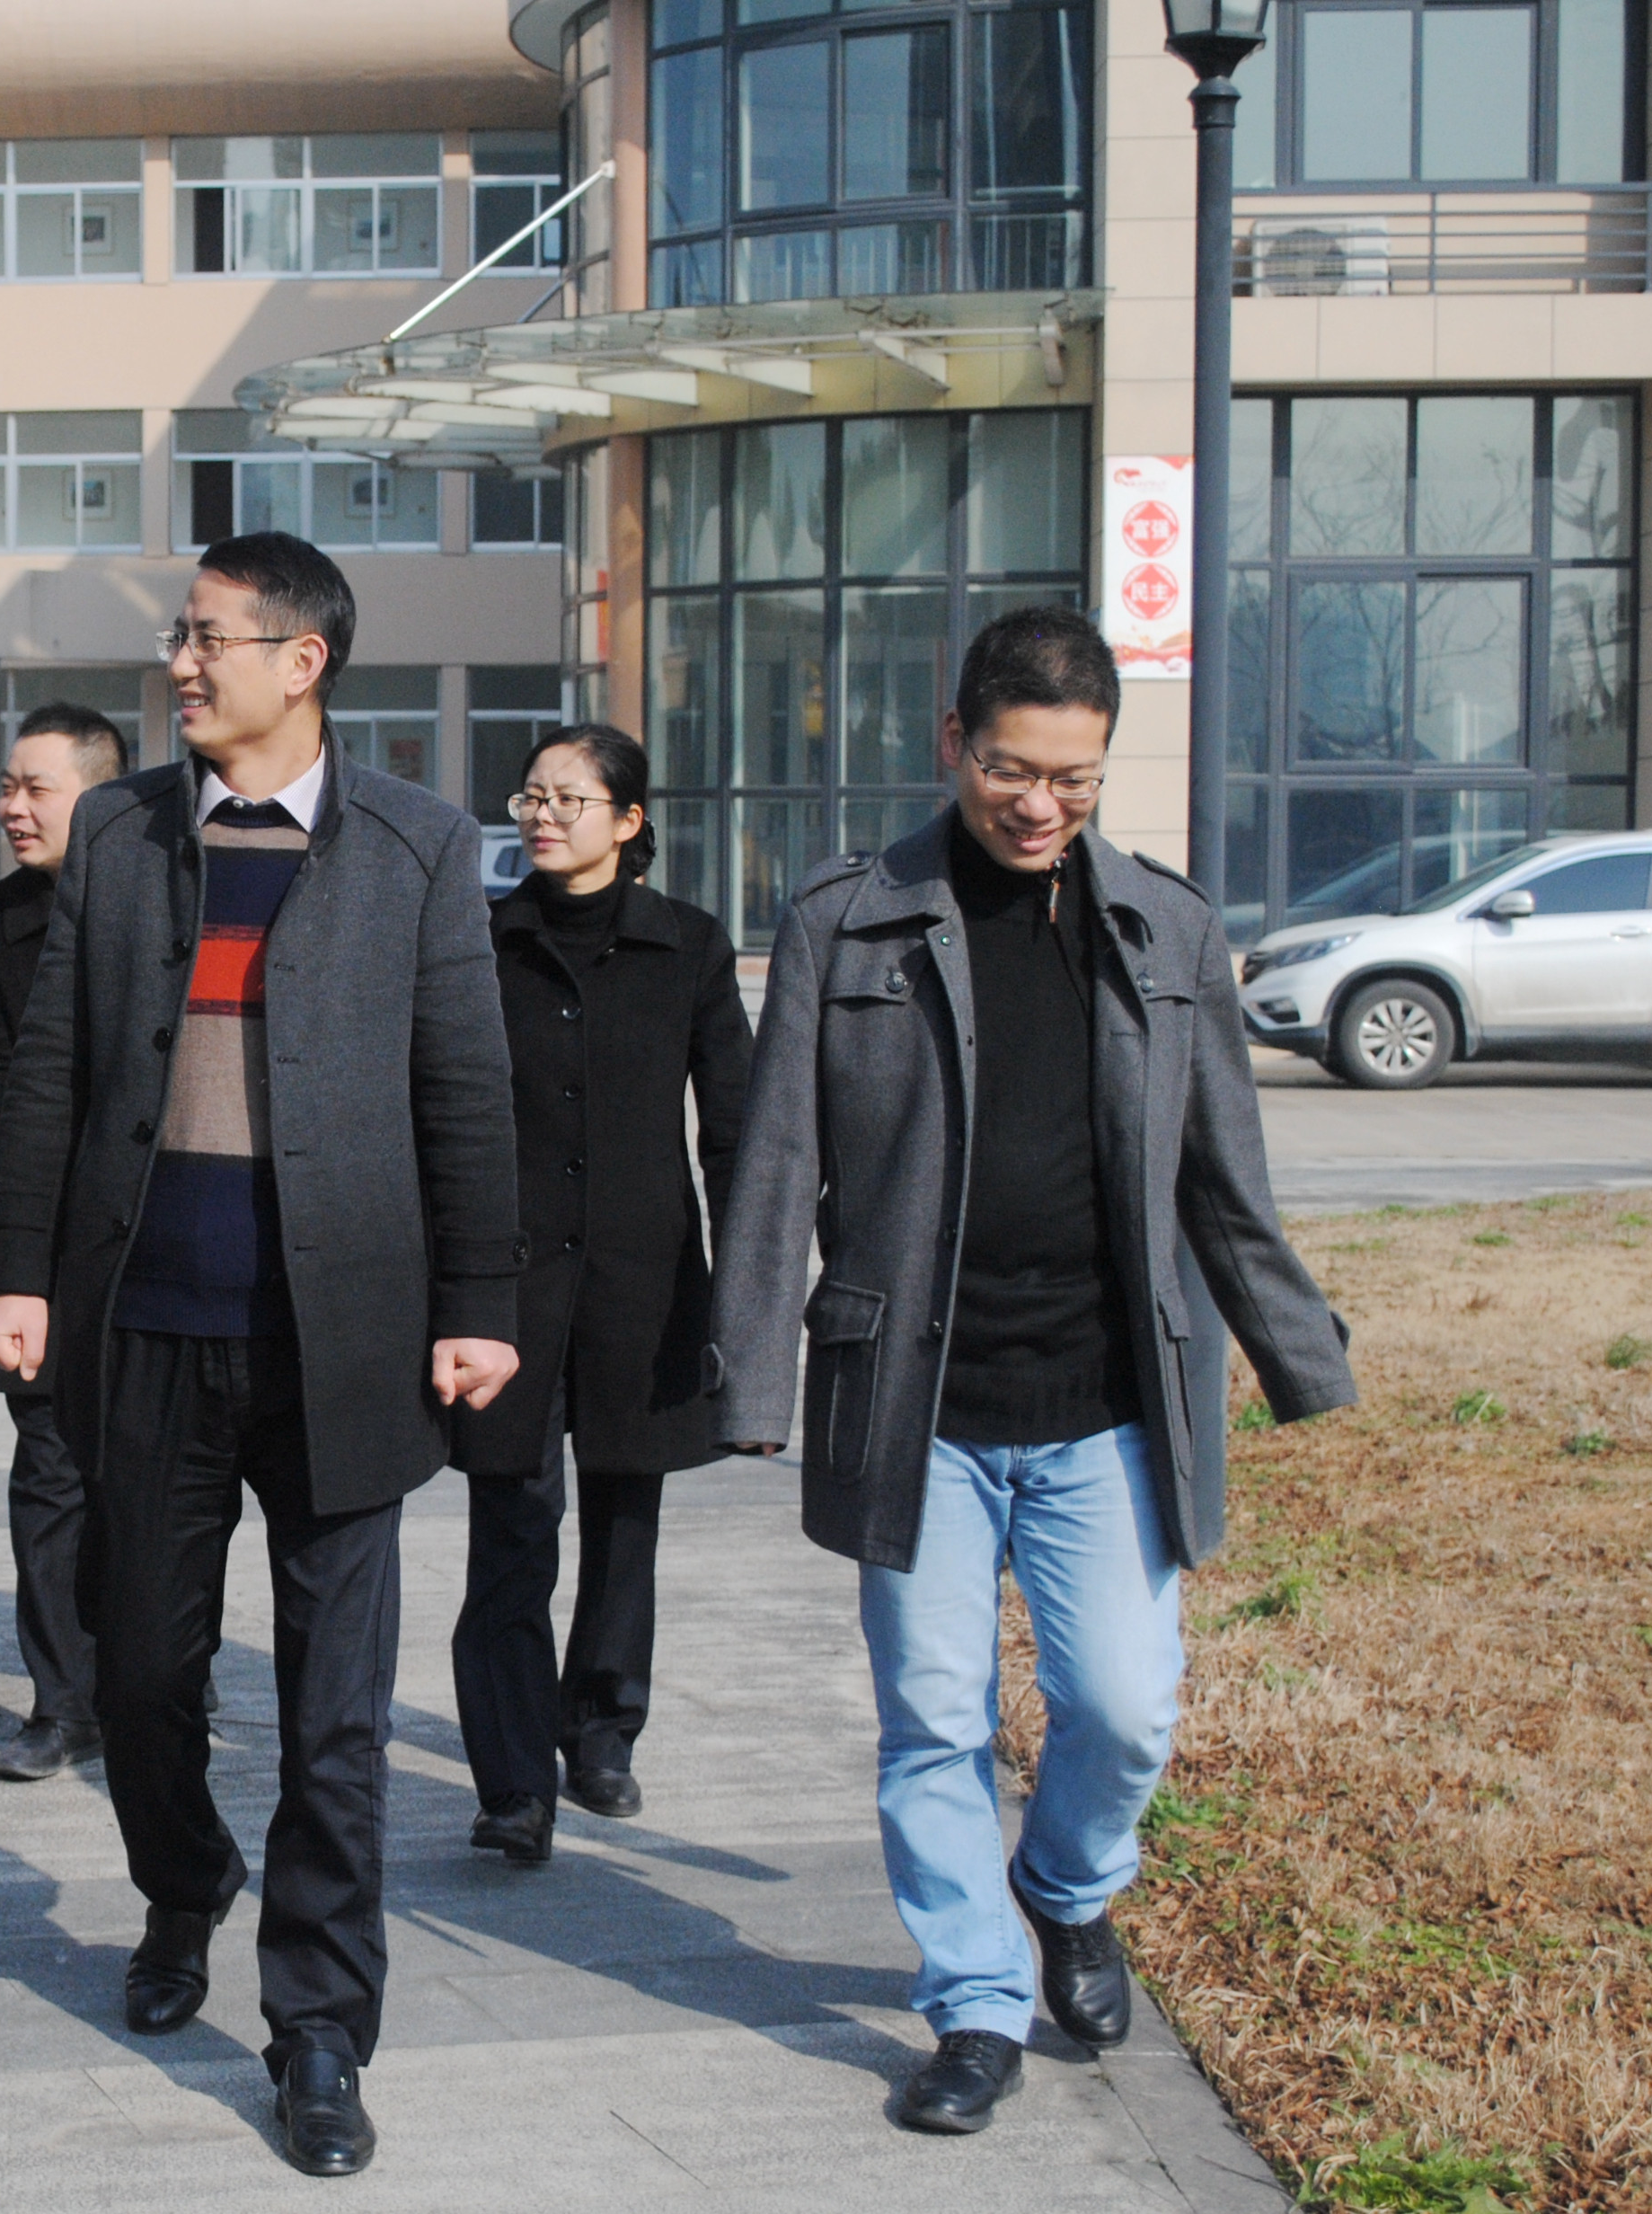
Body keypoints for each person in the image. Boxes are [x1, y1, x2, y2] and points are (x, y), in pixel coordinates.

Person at [707, 604, 1354, 2137]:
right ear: (953, 744)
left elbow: (1220, 1170)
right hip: (914, 1404)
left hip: (1107, 1397)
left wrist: (1297, 1352)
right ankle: (974, 2004)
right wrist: (747, 1380)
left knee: (1122, 1707)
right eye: (1010, 768)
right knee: (932, 1719)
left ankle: (1063, 1888)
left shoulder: (1166, 929)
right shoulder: (848, 919)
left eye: (1073, 777)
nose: (1038, 803)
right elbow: (776, 1161)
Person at [0, 531, 523, 2180]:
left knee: (334, 1712)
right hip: (147, 1325)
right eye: (179, 636)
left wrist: (478, 1301)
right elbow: (55, 1065)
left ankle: (319, 2028)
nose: (181, 664)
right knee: (141, 1674)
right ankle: (180, 1884)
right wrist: (15, 1272)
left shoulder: (417, 844)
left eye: (209, 638)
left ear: (303, 660)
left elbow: (464, 1085)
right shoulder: (124, 832)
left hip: (343, 1342)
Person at [449, 723, 750, 1866]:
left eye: (567, 799)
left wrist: (745, 1288)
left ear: (628, 821)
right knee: (510, 1532)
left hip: (644, 1283)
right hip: (509, 1289)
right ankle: (512, 1783)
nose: (540, 815)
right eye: (530, 796)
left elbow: (733, 1128)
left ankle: (603, 1730)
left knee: (627, 1521)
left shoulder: (688, 947)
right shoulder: (481, 944)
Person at [0, 702, 128, 1783]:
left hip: (162, 1238)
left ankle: (161, 1674)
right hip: (46, 1240)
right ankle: (61, 1702)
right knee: (51, 1473)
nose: (12, 807)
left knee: (159, 1477)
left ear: (99, 799)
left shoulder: (169, 900)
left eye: (35, 788)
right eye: (6, 787)